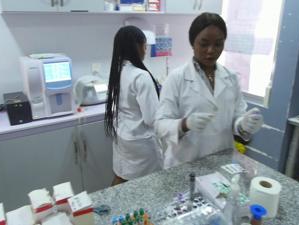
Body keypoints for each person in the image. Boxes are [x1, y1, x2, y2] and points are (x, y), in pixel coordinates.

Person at [155, 13, 264, 169]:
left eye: (218, 44)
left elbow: (236, 118)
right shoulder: (176, 78)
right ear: (193, 43)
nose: (211, 50)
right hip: (185, 163)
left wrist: (244, 124)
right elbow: (160, 125)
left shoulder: (231, 78)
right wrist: (185, 124)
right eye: (204, 44)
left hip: (222, 161)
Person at [105, 25, 162, 185]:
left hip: (123, 136)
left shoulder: (118, 71)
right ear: (137, 46)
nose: (145, 50)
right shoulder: (141, 76)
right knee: (145, 186)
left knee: (121, 177)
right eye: (145, 46)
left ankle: (113, 207)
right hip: (140, 141)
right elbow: (152, 119)